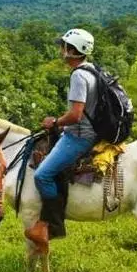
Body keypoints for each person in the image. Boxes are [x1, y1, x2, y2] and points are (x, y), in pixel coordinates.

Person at [25, 28, 98, 245]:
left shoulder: (78, 76)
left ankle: (51, 225)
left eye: (63, 46)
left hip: (79, 136)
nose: (61, 50)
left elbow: (75, 115)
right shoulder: (92, 70)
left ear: (71, 50)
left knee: (42, 175)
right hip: (88, 131)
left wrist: (55, 122)